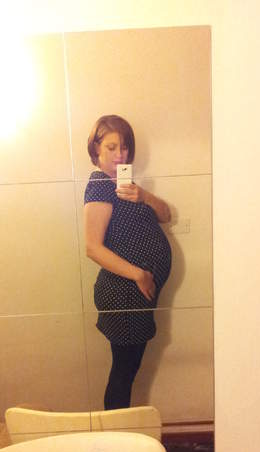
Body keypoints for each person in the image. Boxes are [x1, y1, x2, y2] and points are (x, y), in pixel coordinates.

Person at [84, 115, 171, 410]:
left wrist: (144, 195)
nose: (120, 154)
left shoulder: (125, 185)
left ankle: (119, 430)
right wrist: (139, 275)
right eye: (111, 147)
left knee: (127, 371)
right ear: (96, 150)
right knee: (123, 374)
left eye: (124, 147)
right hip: (123, 294)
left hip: (135, 296)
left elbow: (165, 215)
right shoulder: (99, 184)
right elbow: (92, 248)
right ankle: (116, 433)